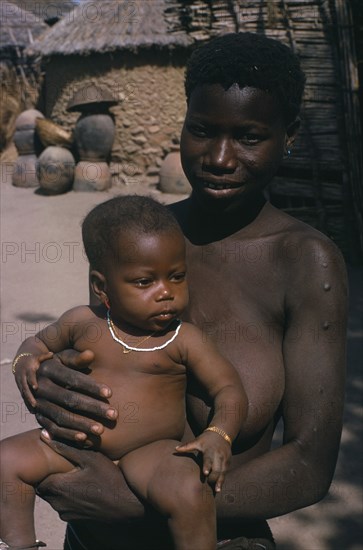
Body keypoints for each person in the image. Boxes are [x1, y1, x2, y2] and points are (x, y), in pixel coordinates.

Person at [10, 32, 347, 550]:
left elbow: (309, 465)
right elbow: (93, 363)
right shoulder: (136, 241)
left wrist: (137, 500)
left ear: (289, 136)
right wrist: (41, 374)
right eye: (202, 130)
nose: (219, 157)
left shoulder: (303, 263)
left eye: (249, 137)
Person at [0, 195, 247, 550]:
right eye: (145, 282)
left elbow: (229, 389)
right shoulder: (83, 322)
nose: (166, 293)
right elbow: (37, 343)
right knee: (6, 459)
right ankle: (19, 544)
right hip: (77, 446)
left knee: (190, 489)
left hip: (150, 452)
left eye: (177, 277)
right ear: (102, 288)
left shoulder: (183, 339)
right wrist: (26, 359)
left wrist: (219, 434)